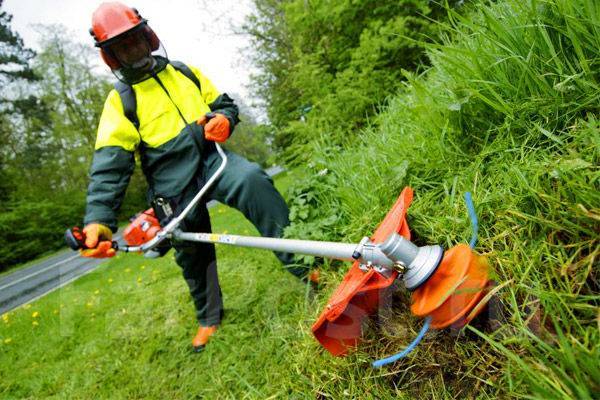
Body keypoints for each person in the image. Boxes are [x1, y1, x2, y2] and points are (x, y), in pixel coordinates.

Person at [82, 1, 311, 352]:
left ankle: (306, 267)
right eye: (122, 48)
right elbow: (110, 164)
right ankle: (209, 318)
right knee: (191, 251)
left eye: (135, 40)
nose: (133, 50)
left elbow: (224, 104)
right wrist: (98, 219)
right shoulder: (121, 102)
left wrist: (224, 119)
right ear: (111, 58)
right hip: (171, 184)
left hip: (212, 161)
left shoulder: (184, 73)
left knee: (252, 181)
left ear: (148, 36)